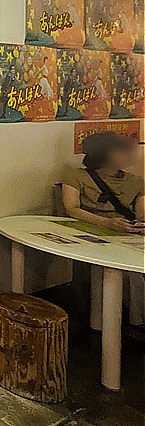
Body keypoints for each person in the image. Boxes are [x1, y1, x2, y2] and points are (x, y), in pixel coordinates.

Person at [62, 131, 144, 338]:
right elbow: (71, 208)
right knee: (96, 270)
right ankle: (92, 320)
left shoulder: (137, 182)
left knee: (133, 271)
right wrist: (107, 223)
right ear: (103, 154)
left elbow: (142, 214)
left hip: (124, 234)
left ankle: (136, 322)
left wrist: (140, 226)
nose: (128, 155)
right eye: (121, 151)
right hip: (87, 233)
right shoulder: (75, 176)